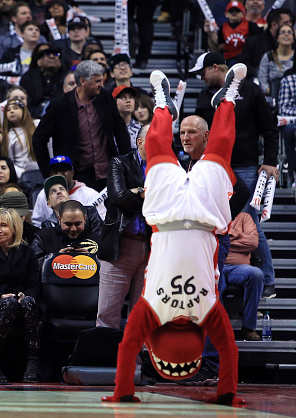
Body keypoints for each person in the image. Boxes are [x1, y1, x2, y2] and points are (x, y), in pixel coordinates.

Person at [102, 67, 244, 405]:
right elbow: (129, 346)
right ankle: (210, 100)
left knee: (208, 150)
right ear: (154, 342)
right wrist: (226, 396)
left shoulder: (197, 311)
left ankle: (184, 103)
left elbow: (228, 350)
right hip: (191, 220)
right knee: (167, 149)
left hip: (174, 220)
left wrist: (228, 394)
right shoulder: (165, 310)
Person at [193, 52, 279, 299]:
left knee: (248, 219)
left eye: (203, 72)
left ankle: (269, 279)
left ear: (216, 67)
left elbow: (270, 127)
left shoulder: (251, 90)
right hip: (215, 166)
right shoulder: (204, 95)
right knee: (218, 219)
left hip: (244, 165)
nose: (201, 78)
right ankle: (218, 274)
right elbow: (202, 131)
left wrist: (271, 161)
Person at [33, 60, 131, 191]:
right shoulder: (60, 105)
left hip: (108, 173)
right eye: (97, 81)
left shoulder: (106, 98)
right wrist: (48, 173)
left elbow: (120, 131)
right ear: (83, 81)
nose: (101, 85)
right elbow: (38, 139)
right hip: (76, 176)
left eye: (102, 81)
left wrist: (127, 164)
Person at [0, 208, 41, 383]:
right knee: (9, 303)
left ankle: (33, 362)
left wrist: (24, 295)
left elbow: (35, 286)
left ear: (15, 228)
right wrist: (0, 297)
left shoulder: (28, 253)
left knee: (29, 302)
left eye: (3, 225)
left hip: (22, 302)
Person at [96, 124, 149, 330]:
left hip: (153, 247)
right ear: (140, 142)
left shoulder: (167, 167)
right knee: (107, 314)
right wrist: (153, 199)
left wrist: (138, 192)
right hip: (121, 244)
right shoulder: (119, 162)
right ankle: (106, 361)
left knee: (142, 315)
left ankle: (137, 362)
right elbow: (118, 196)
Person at [221, 212, 264, 341]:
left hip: (239, 269)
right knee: (210, 282)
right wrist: (239, 235)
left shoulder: (244, 218)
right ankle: (220, 328)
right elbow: (209, 241)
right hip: (216, 266)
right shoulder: (214, 214)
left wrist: (225, 239)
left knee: (256, 274)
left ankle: (249, 327)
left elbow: (253, 242)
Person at [32, 155, 100, 227]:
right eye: (55, 171)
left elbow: (101, 223)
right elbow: (37, 224)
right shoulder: (43, 195)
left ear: (72, 173)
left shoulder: (90, 194)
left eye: (63, 170)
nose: (59, 174)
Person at [31, 199, 100, 258]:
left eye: (77, 224)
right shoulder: (43, 238)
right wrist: (54, 259)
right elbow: (33, 267)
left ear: (85, 219)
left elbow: (107, 268)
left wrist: (91, 259)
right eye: (68, 224)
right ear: (59, 219)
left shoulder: (99, 239)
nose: (73, 229)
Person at [237, 8, 293, 79]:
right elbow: (244, 66)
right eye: (286, 23)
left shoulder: (292, 42)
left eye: (290, 22)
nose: (290, 25)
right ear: (274, 25)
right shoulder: (253, 41)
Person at [206, 1, 260, 66]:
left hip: (246, 59)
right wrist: (211, 33)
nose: (234, 13)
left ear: (243, 13)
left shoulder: (250, 25)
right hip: (228, 59)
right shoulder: (223, 27)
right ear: (226, 14)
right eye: (231, 11)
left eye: (237, 11)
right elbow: (219, 46)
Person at [20, 46, 67, 118]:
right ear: (39, 62)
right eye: (47, 54)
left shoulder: (66, 76)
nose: (52, 57)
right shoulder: (28, 78)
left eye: (56, 54)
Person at [258, 24, 294, 106]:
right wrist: (274, 92)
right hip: (271, 97)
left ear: (293, 39)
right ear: (277, 38)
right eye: (283, 32)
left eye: (289, 32)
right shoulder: (268, 56)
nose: (286, 34)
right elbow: (262, 81)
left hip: (293, 97)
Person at [1, 98, 38, 177]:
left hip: (42, 171)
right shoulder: (9, 136)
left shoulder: (37, 125)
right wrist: (22, 173)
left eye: (15, 108)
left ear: (23, 110)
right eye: (8, 110)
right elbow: (9, 161)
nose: (11, 111)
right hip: (23, 176)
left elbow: (49, 147)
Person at [113, 86, 142, 150]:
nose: (128, 100)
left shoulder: (140, 129)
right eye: (123, 97)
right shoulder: (109, 129)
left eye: (131, 97)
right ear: (115, 102)